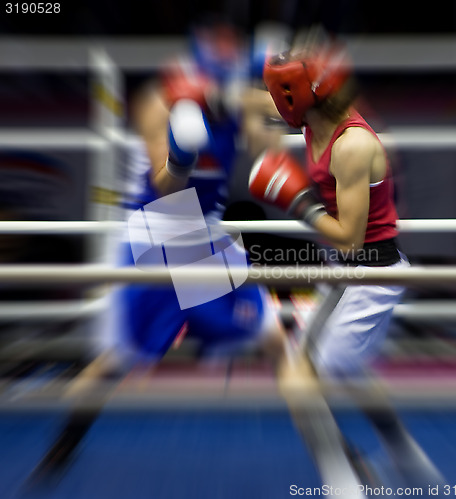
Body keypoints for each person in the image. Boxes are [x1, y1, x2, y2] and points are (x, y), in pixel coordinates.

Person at [28, 21, 300, 483]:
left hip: (205, 229)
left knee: (275, 342)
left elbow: (267, 145)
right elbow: (163, 182)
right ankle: (64, 442)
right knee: (118, 359)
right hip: (159, 226)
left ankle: (335, 448)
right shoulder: (158, 99)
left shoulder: (241, 99)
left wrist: (270, 88)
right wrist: (181, 156)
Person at [249, 37, 409, 378]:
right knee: (330, 368)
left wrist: (300, 203)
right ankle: (394, 435)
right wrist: (211, 93)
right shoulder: (315, 116)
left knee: (318, 370)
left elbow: (351, 239)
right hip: (341, 267)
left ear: (296, 95)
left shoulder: (350, 146)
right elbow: (259, 103)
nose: (277, 102)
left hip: (373, 271)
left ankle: (350, 432)